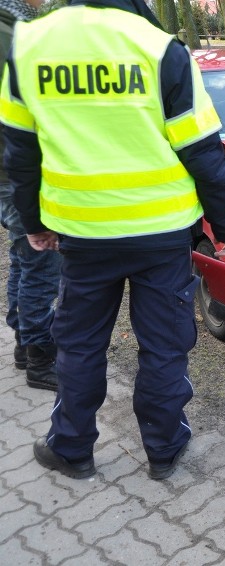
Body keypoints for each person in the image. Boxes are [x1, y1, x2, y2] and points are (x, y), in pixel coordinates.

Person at [0, 0, 225, 480]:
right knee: (164, 345)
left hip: (85, 236)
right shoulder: (160, 48)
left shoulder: (29, 45)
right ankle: (164, 449)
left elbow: (19, 153)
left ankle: (71, 448)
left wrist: (34, 222)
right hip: (161, 236)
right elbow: (202, 151)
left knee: (81, 343)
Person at [0, 0, 62, 391]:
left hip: (9, 168)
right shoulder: (11, 31)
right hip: (17, 167)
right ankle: (39, 355)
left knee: (23, 255)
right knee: (40, 260)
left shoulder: (14, 24)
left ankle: (24, 341)